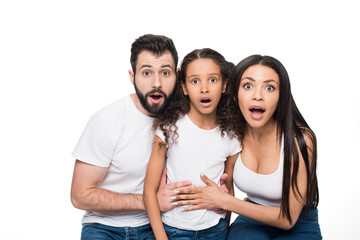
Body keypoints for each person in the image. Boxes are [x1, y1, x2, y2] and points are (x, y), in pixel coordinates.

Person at [175, 55, 322, 239]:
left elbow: (288, 218)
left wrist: (226, 201)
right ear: (235, 92)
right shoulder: (232, 133)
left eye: (269, 87)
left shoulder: (300, 139)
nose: (257, 95)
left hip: (299, 222)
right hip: (251, 218)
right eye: (248, 86)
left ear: (281, 96)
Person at [70, 34, 193, 240]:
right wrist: (150, 201)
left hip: (160, 225)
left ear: (177, 76)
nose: (157, 83)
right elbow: (79, 195)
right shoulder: (106, 121)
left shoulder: (186, 117)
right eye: (146, 73)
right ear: (132, 76)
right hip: (104, 227)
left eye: (165, 72)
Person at [143, 48, 241, 240]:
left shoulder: (231, 136)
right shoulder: (168, 129)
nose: (204, 88)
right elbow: (149, 190)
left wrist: (225, 231)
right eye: (195, 81)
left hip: (215, 230)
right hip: (173, 230)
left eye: (212, 80)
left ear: (224, 85)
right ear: (185, 88)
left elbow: (228, 191)